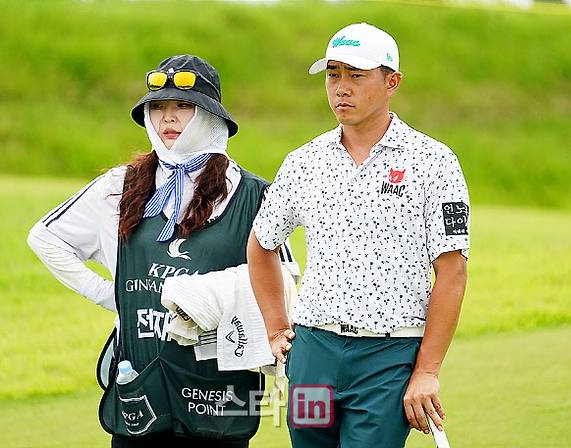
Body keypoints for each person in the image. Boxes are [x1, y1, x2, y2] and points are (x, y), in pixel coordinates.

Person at [28, 54, 298, 448]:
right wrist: (107, 294)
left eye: (183, 106)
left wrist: (217, 299)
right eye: (157, 107)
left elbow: (285, 281)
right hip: (140, 382)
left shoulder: (252, 194)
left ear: (211, 116)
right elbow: (46, 237)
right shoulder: (119, 185)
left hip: (219, 395)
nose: (167, 117)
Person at [247, 23, 470, 448]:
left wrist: (426, 371)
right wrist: (276, 328)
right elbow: (261, 244)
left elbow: (452, 272)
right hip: (313, 357)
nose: (341, 88)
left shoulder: (434, 162)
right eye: (333, 75)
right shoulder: (304, 161)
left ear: (392, 82)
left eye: (356, 75)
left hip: (387, 359)